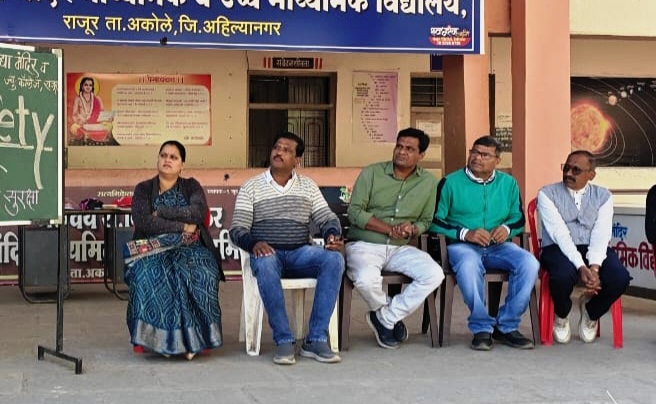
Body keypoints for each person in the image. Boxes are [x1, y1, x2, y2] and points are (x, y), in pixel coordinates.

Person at [230, 132, 345, 365]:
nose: (279, 152)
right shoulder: (251, 186)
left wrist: (332, 235)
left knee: (334, 260)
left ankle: (315, 339)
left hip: (300, 253)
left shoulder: (308, 186)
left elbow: (326, 218)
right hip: (267, 254)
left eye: (286, 150)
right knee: (266, 262)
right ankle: (283, 340)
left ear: (297, 160)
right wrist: (254, 243)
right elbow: (237, 229)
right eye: (276, 147)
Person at [430, 135, 538, 351]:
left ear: (497, 160)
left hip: (499, 246)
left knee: (530, 263)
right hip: (462, 246)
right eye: (474, 152)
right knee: (469, 265)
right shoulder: (450, 182)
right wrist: (464, 233)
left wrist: (506, 229)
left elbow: (518, 218)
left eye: (484, 155)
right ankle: (481, 327)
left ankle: (506, 325)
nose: (477, 158)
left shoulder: (508, 183)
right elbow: (434, 221)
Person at [345, 128, 443, 349]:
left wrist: (412, 228)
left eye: (409, 149)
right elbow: (355, 212)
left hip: (400, 248)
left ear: (421, 155)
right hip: (365, 245)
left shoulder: (429, 182)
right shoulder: (372, 173)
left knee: (434, 274)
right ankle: (387, 316)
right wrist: (388, 229)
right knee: (366, 280)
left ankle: (386, 317)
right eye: (399, 146)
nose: (402, 152)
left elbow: (426, 220)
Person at [126, 140, 224, 359]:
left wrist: (161, 212)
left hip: (191, 247)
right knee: (149, 273)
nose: (167, 160)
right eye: (163, 155)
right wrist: (181, 226)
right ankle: (160, 342)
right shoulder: (144, 189)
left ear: (182, 165)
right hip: (152, 248)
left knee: (202, 272)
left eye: (173, 157)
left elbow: (197, 213)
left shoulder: (191, 186)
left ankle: (195, 341)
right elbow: (144, 222)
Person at [536, 150, 630, 344]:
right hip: (557, 247)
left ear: (591, 175)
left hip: (592, 247)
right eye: (566, 168)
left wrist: (594, 267)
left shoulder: (603, 196)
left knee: (619, 277)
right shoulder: (547, 194)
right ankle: (562, 314)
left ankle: (591, 311)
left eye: (576, 170)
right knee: (562, 276)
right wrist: (581, 266)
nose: (568, 173)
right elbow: (559, 233)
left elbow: (601, 234)